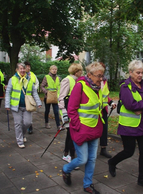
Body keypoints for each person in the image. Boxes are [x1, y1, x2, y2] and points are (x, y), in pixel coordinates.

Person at [108, 60, 143, 191]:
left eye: (142, 72)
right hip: (129, 126)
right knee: (129, 152)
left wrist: (142, 107)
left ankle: (142, 179)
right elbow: (130, 105)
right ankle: (112, 162)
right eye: (137, 72)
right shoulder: (125, 87)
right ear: (130, 72)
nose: (140, 75)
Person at [62, 62, 105, 194]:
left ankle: (87, 184)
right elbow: (72, 109)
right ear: (89, 75)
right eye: (98, 76)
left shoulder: (97, 88)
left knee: (92, 159)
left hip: (94, 129)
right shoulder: (79, 86)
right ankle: (66, 169)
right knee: (83, 159)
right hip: (81, 130)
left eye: (102, 76)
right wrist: (77, 127)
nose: (101, 79)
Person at [5, 63, 42, 148]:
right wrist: (7, 104)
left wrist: (38, 102)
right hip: (16, 106)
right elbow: (8, 93)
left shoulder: (29, 80)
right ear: (17, 70)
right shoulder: (13, 79)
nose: (22, 70)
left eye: (23, 69)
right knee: (18, 123)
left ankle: (22, 134)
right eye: (20, 69)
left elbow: (34, 92)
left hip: (27, 106)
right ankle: (20, 140)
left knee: (27, 123)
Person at [58, 63, 83, 163]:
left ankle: (68, 153)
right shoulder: (67, 80)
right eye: (81, 70)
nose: (82, 72)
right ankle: (69, 155)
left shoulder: (77, 81)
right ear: (77, 71)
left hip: (74, 111)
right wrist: (64, 114)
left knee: (72, 133)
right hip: (67, 111)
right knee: (71, 133)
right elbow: (61, 97)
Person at [99, 62, 117, 158]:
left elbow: (106, 96)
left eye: (103, 69)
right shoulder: (90, 81)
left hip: (103, 110)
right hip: (94, 110)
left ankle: (103, 149)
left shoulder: (105, 81)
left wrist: (111, 103)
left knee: (104, 130)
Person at [40, 65, 61, 130]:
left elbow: (59, 87)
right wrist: (46, 92)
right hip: (48, 97)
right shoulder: (46, 77)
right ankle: (46, 123)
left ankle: (58, 125)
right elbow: (42, 86)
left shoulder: (58, 78)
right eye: (53, 69)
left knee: (56, 111)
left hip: (55, 97)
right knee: (47, 110)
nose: (54, 70)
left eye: (55, 69)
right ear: (50, 70)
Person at [24, 61, 39, 134]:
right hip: (23, 97)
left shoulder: (32, 75)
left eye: (29, 66)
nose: (28, 68)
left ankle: (30, 127)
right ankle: (25, 127)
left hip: (30, 96)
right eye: (27, 66)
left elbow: (37, 83)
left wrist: (34, 90)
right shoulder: (21, 75)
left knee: (29, 111)